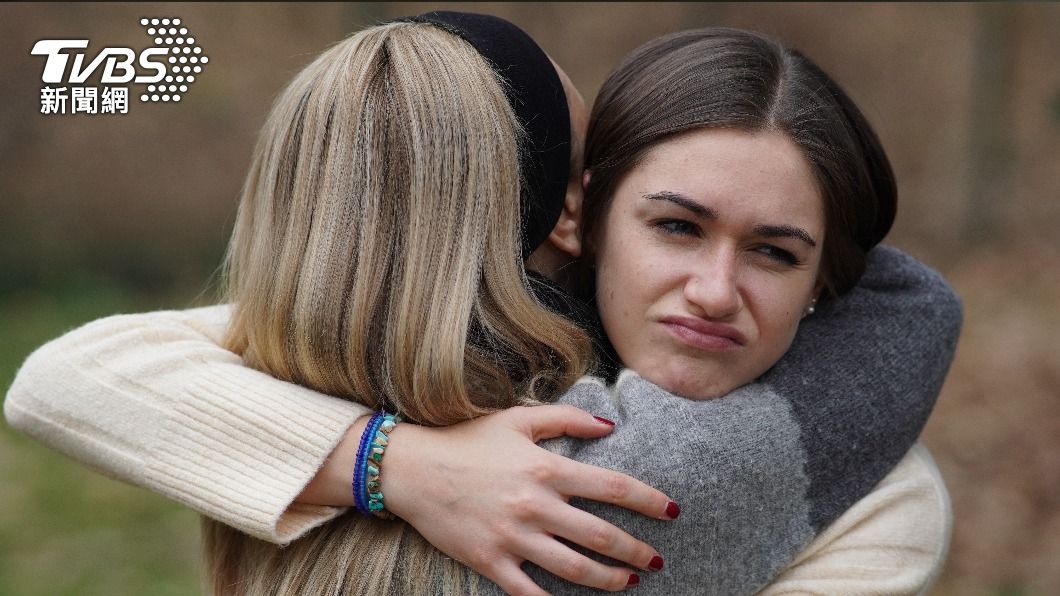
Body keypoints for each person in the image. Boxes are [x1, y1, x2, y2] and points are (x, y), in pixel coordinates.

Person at [3, 13, 961, 596]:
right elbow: (65, 377)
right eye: (673, 227)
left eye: (775, 252)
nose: (715, 292)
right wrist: (398, 465)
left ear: (824, 280)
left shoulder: (880, 501)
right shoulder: (405, 358)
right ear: (585, 220)